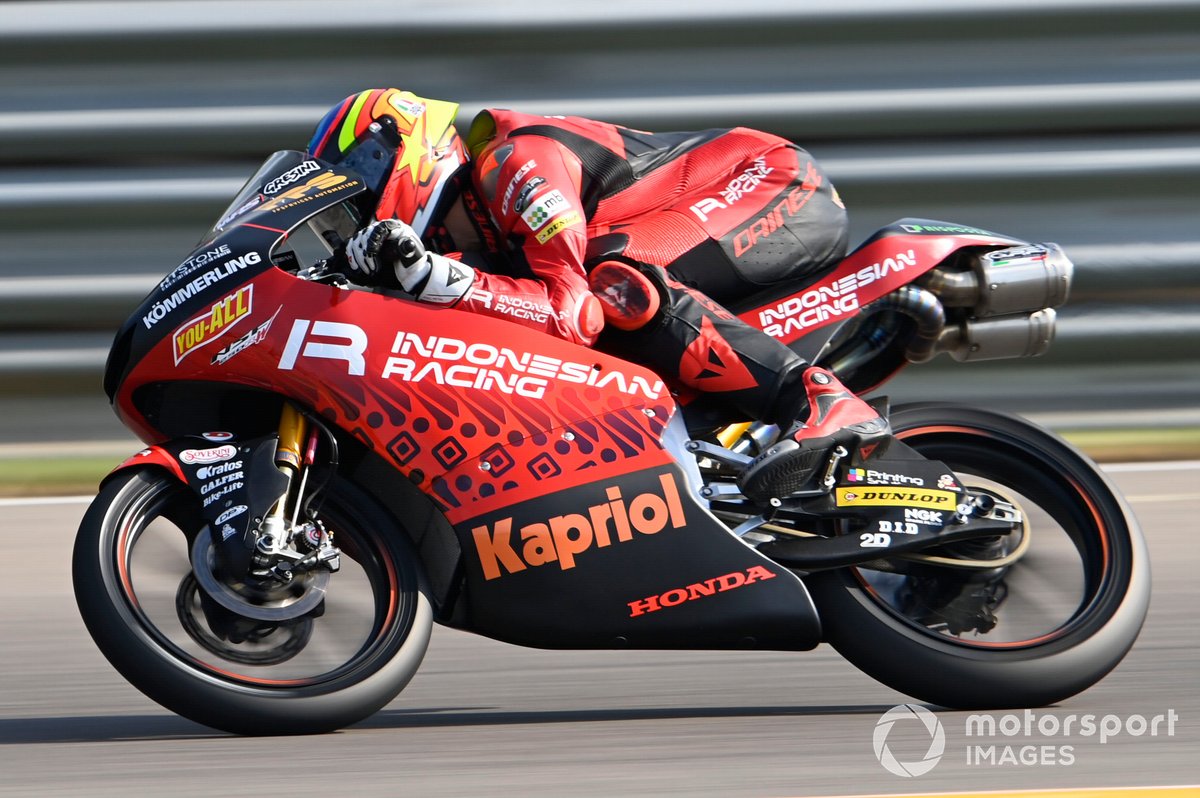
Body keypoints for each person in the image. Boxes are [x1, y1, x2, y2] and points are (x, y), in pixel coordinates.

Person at [307, 88, 888, 500]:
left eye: (360, 171)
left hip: (771, 182)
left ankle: (818, 402)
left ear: (406, 149)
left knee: (616, 281)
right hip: (709, 223)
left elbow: (572, 312)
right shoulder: (472, 242)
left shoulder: (514, 164)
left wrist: (438, 278)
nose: (353, 205)